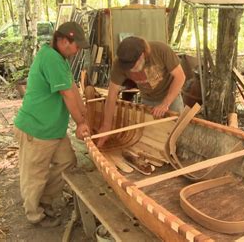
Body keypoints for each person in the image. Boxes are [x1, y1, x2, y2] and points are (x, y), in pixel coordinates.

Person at [13, 21, 91, 227]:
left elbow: (72, 87)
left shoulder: (60, 58)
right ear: (64, 40)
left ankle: (45, 200)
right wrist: (80, 123)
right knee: (34, 174)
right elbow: (66, 94)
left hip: (52, 129)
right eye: (76, 45)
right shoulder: (50, 58)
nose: (78, 50)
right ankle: (34, 214)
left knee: (66, 161)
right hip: (36, 128)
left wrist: (84, 112)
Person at [97, 36, 186, 147]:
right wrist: (106, 126)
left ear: (142, 55)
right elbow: (111, 96)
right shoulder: (119, 64)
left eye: (133, 66)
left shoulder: (161, 50)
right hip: (147, 99)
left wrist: (165, 103)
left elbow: (180, 77)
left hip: (171, 97)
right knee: (152, 136)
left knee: (177, 133)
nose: (130, 70)